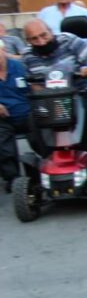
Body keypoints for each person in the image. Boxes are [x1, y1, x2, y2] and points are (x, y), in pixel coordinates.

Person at [21, 19, 87, 154]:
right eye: (35, 39)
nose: (41, 42)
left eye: (44, 35)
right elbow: (34, 85)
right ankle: (49, 159)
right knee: (33, 119)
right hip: (51, 99)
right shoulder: (27, 56)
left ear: (51, 32)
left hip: (84, 92)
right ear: (28, 41)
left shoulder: (68, 40)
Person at [0, 46, 30, 193]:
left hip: (29, 113)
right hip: (3, 118)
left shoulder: (20, 66)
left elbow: (36, 86)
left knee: (44, 134)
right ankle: (12, 178)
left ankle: (40, 174)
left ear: (3, 50)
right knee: (3, 144)